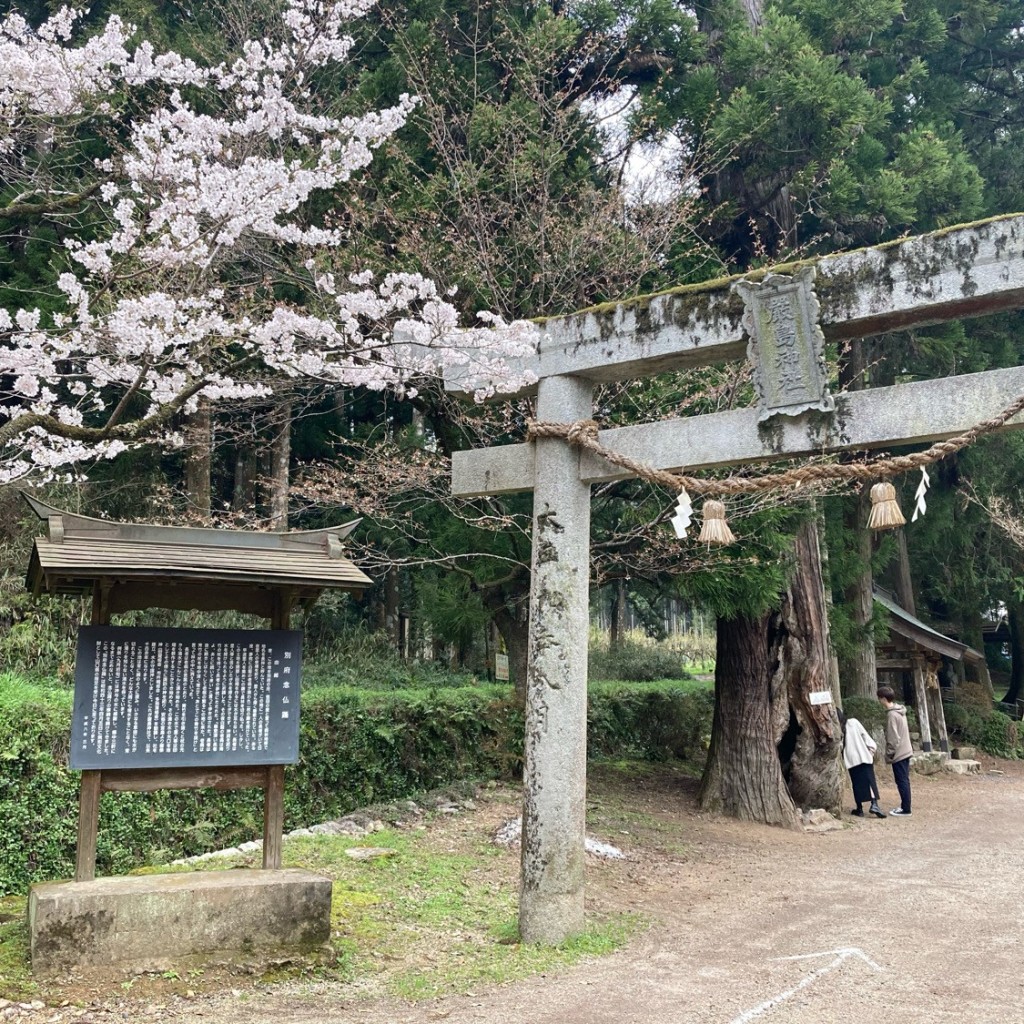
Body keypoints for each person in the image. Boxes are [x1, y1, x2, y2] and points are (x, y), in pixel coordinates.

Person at [838, 709, 885, 818]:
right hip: (863, 756)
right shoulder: (853, 722)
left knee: (856, 783)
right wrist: (872, 749)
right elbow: (865, 735)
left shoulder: (838, 730)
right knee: (870, 782)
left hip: (850, 760)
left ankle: (859, 808)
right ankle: (874, 804)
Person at [877, 685, 913, 816]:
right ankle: (905, 806)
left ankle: (906, 809)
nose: (879, 701)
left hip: (899, 752)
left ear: (884, 699)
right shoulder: (900, 711)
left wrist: (889, 754)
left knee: (902, 780)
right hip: (906, 749)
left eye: (880, 698)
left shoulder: (892, 714)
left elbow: (893, 738)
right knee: (904, 780)